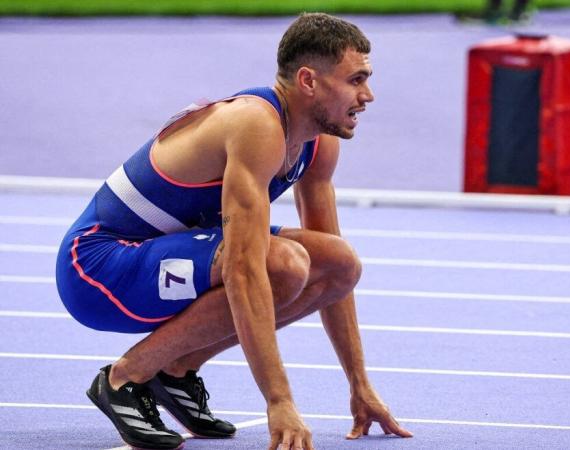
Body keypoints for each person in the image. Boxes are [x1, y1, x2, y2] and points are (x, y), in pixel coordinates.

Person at [55, 12, 412, 450]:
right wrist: (279, 401)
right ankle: (124, 378)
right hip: (96, 268)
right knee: (279, 262)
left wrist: (359, 384)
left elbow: (333, 276)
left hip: (160, 255)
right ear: (308, 81)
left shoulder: (319, 140)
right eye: (356, 80)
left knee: (338, 263)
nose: (368, 95)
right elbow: (244, 270)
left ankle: (177, 371)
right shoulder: (255, 125)